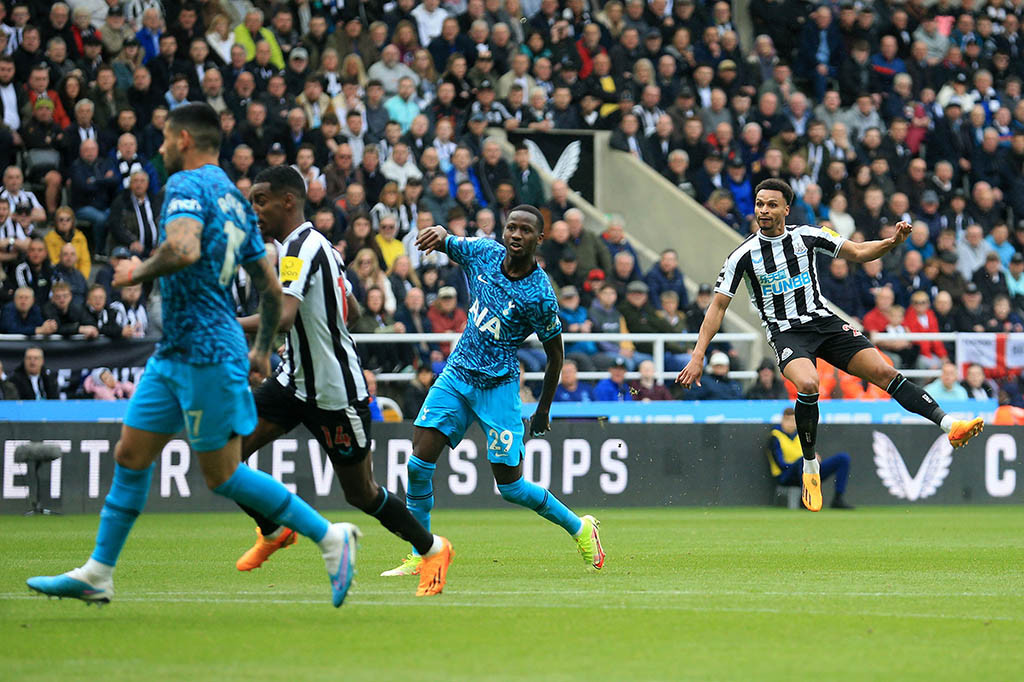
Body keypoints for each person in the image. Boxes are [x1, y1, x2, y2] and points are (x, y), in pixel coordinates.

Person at [26, 104, 360, 609]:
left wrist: (134, 272)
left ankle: (330, 537)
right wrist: (264, 350)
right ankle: (98, 572)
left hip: (205, 350)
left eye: (162, 138)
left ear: (183, 139)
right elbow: (271, 289)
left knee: (222, 474)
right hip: (178, 349)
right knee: (130, 454)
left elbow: (180, 250)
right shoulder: (233, 199)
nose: (158, 148)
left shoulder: (184, 187)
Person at [678, 179, 984, 513]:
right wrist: (698, 356)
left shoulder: (809, 235)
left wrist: (893, 241)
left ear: (785, 209)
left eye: (771, 205)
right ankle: (810, 465)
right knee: (809, 384)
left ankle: (950, 425)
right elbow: (717, 307)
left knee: (884, 371)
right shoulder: (743, 255)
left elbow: (858, 252)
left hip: (824, 323)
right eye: (759, 204)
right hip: (786, 334)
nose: (763, 211)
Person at [229, 166, 452, 595]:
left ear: (288, 201)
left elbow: (287, 313)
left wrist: (223, 322)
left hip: (335, 393)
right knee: (224, 452)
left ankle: (433, 548)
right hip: (293, 381)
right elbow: (343, 302)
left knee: (361, 494)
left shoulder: (298, 248)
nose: (253, 210)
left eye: (260, 201)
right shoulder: (320, 247)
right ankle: (274, 531)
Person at [381, 204, 605, 577]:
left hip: (498, 389)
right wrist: (438, 232)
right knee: (418, 465)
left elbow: (556, 356)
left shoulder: (540, 294)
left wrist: (544, 409)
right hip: (456, 376)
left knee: (512, 488)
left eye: (525, 230)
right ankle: (423, 553)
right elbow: (449, 241)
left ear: (539, 239)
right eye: (511, 228)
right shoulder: (484, 253)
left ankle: (580, 527)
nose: (516, 235)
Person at [768, 408, 854, 509]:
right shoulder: (775, 437)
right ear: (782, 420)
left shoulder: (800, 435)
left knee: (843, 458)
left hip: (808, 471)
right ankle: (806, 499)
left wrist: (812, 458)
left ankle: (838, 498)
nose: (791, 424)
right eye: (788, 420)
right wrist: (804, 461)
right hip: (787, 475)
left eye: (794, 421)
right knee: (803, 461)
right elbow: (781, 464)